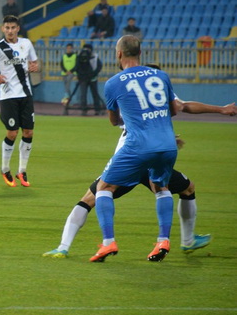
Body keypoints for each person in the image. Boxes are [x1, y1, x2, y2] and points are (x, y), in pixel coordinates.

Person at [43, 99, 236, 258]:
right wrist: (221, 109)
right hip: (151, 156)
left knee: (91, 198)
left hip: (128, 159)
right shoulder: (158, 88)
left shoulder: (127, 89)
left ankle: (65, 247)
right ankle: (181, 240)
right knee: (176, 189)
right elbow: (181, 106)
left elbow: (115, 120)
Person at [90, 35, 178, 263]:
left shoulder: (113, 83)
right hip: (168, 144)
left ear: (119, 54)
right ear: (140, 53)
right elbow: (173, 110)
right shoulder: (161, 75)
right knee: (161, 187)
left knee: (103, 187)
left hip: (138, 145)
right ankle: (163, 240)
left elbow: (113, 121)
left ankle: (108, 242)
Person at [0, 15, 39, 187]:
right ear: (3, 29)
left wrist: (34, 66)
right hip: (8, 95)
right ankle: (5, 168)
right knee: (12, 133)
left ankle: (22, 170)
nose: (10, 31)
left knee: (28, 132)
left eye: (13, 28)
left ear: (18, 29)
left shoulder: (26, 44)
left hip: (26, 94)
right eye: (7, 28)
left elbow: (34, 63)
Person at [75, 43, 103, 116]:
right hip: (83, 79)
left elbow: (99, 66)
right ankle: (84, 110)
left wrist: (93, 74)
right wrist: (80, 75)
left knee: (95, 94)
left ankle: (97, 109)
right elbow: (77, 67)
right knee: (83, 94)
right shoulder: (79, 56)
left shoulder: (95, 56)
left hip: (92, 78)